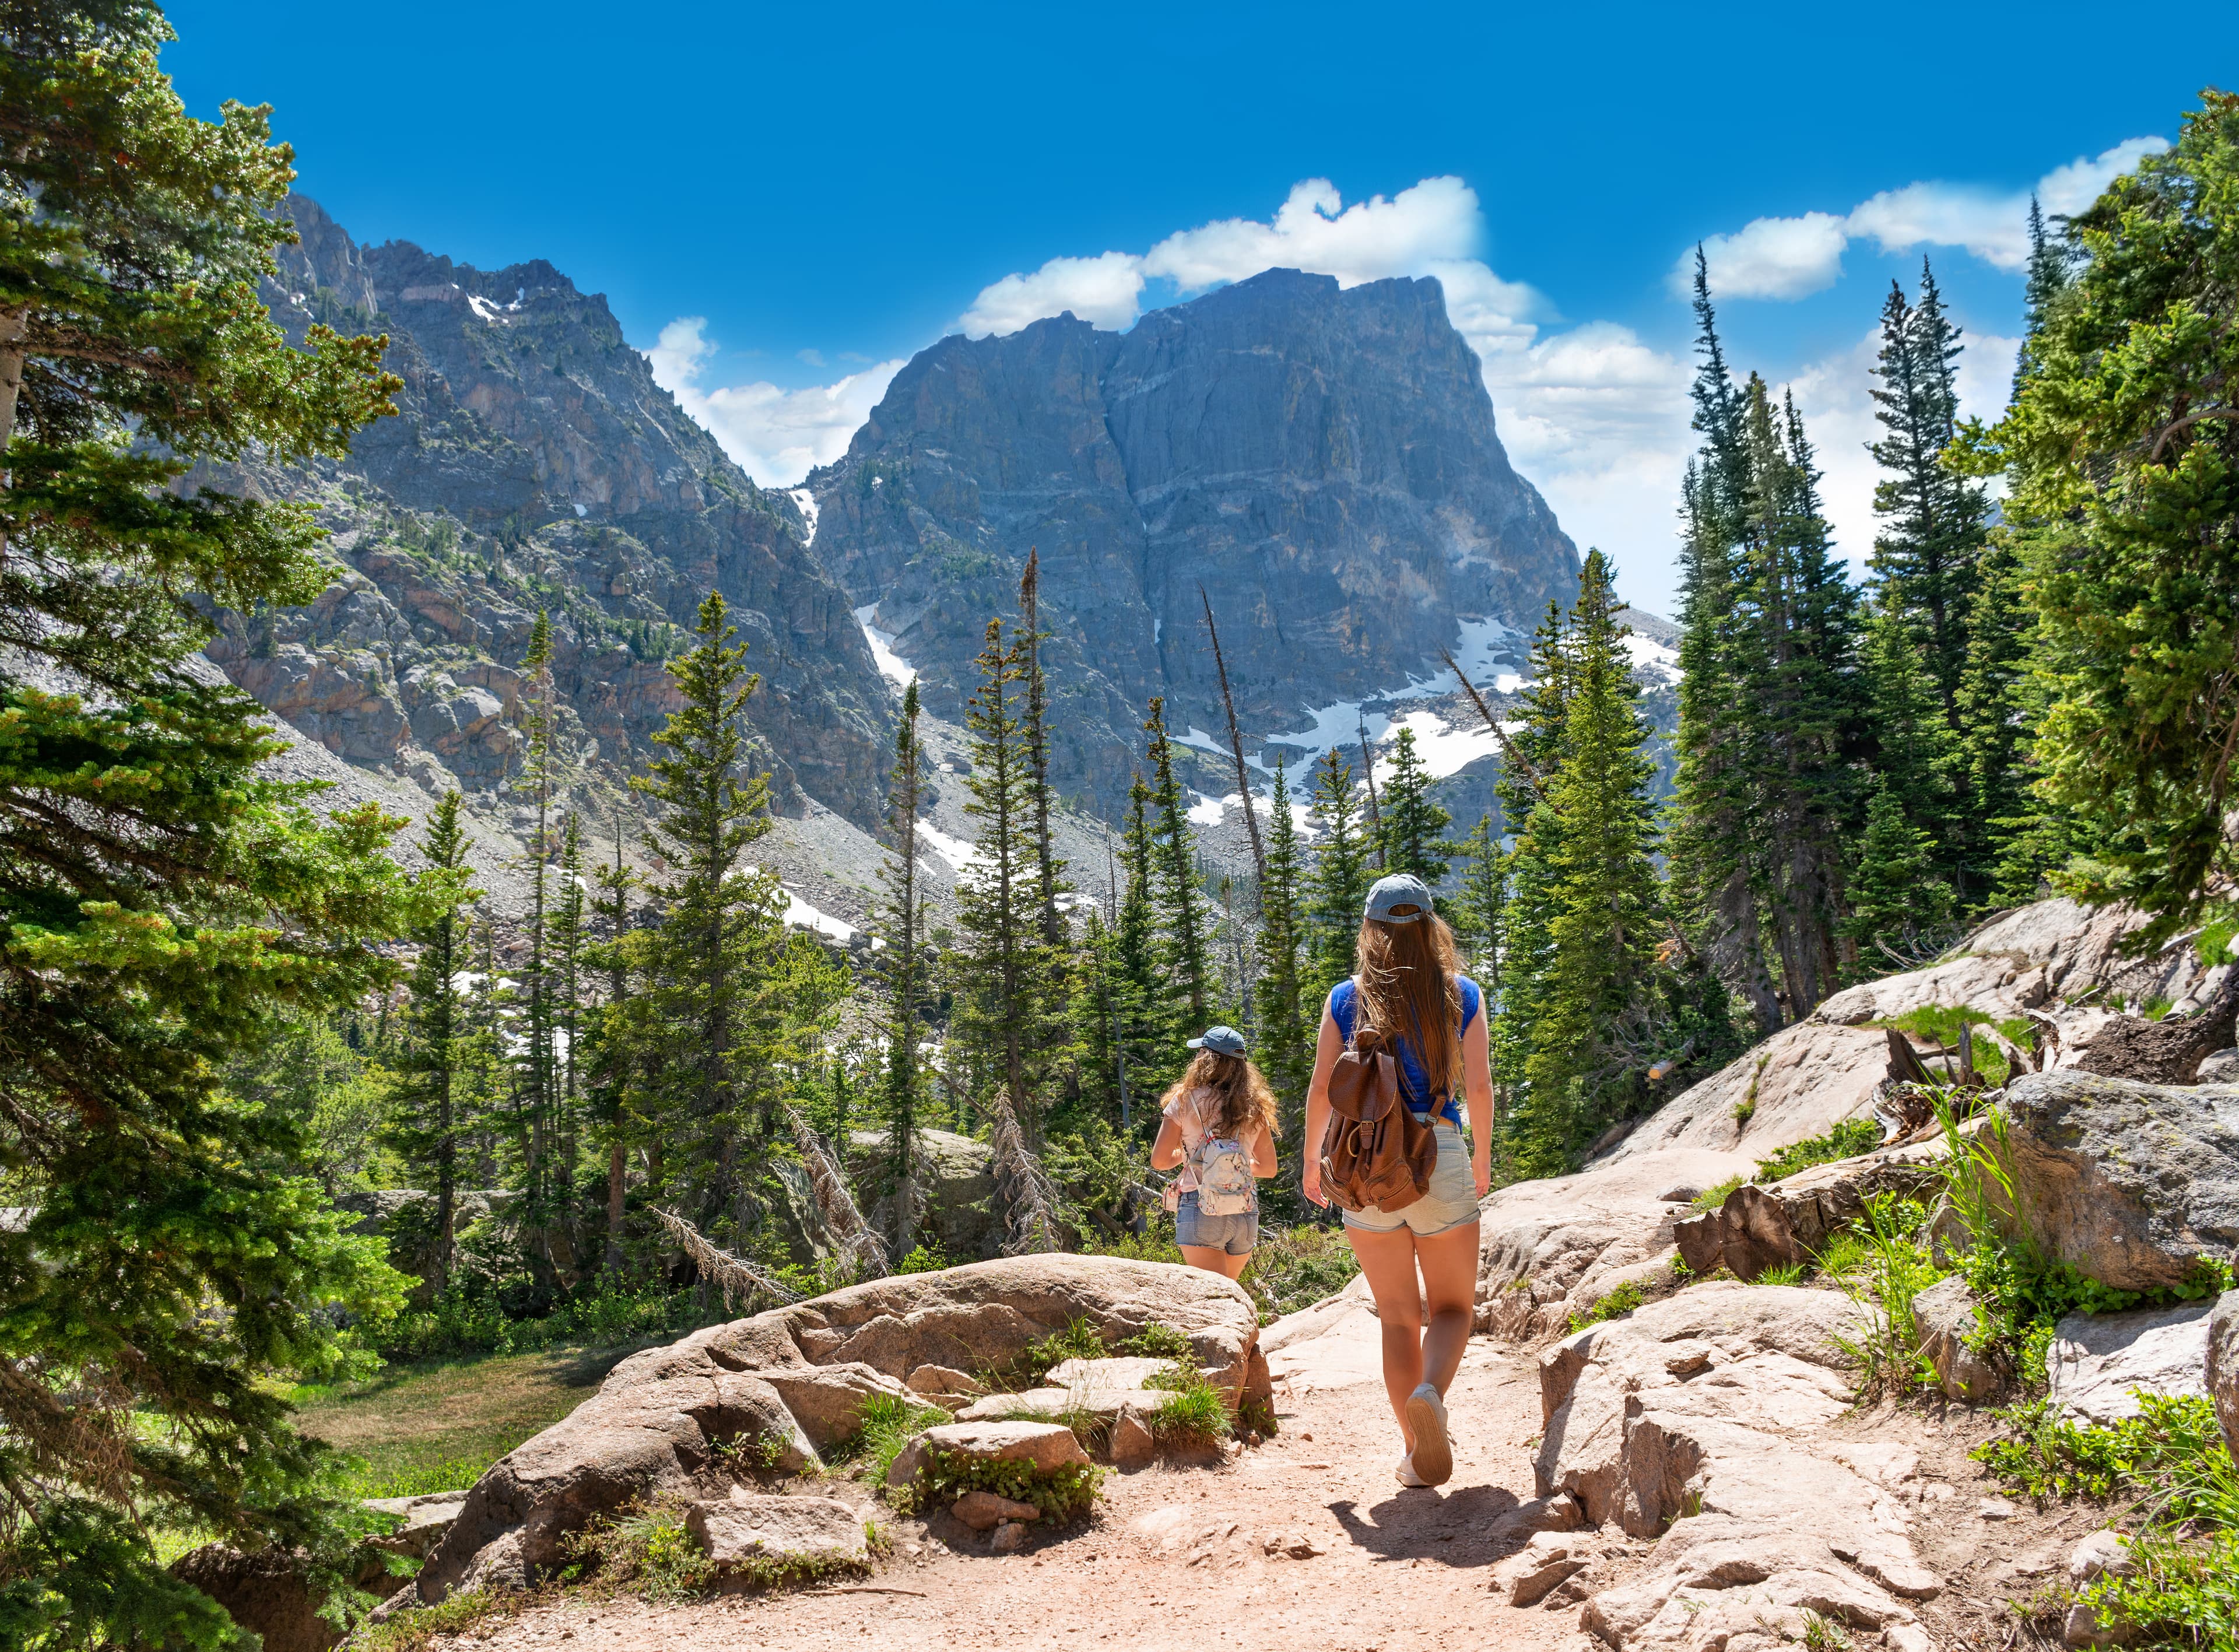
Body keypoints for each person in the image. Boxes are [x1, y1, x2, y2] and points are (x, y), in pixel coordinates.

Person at [1303, 873, 1493, 1489]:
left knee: (1395, 1316)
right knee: (1453, 1308)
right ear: (1431, 927)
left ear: (1371, 929)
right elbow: (1481, 1087)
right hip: (1437, 1152)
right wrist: (1482, 1159)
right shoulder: (1460, 993)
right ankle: (1431, 1394)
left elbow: (1320, 1090)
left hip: (1366, 1165)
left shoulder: (1344, 998)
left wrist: (1313, 1163)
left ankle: (1416, 1453)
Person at [1149, 1025, 1280, 1280]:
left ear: (1205, 1060)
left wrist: (1194, 1158)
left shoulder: (1185, 1100)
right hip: (1244, 1210)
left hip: (1201, 1206)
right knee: (1230, 1294)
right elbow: (1268, 1169)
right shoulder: (1255, 1106)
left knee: (1214, 1301)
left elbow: (1160, 1161)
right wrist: (1232, 1165)